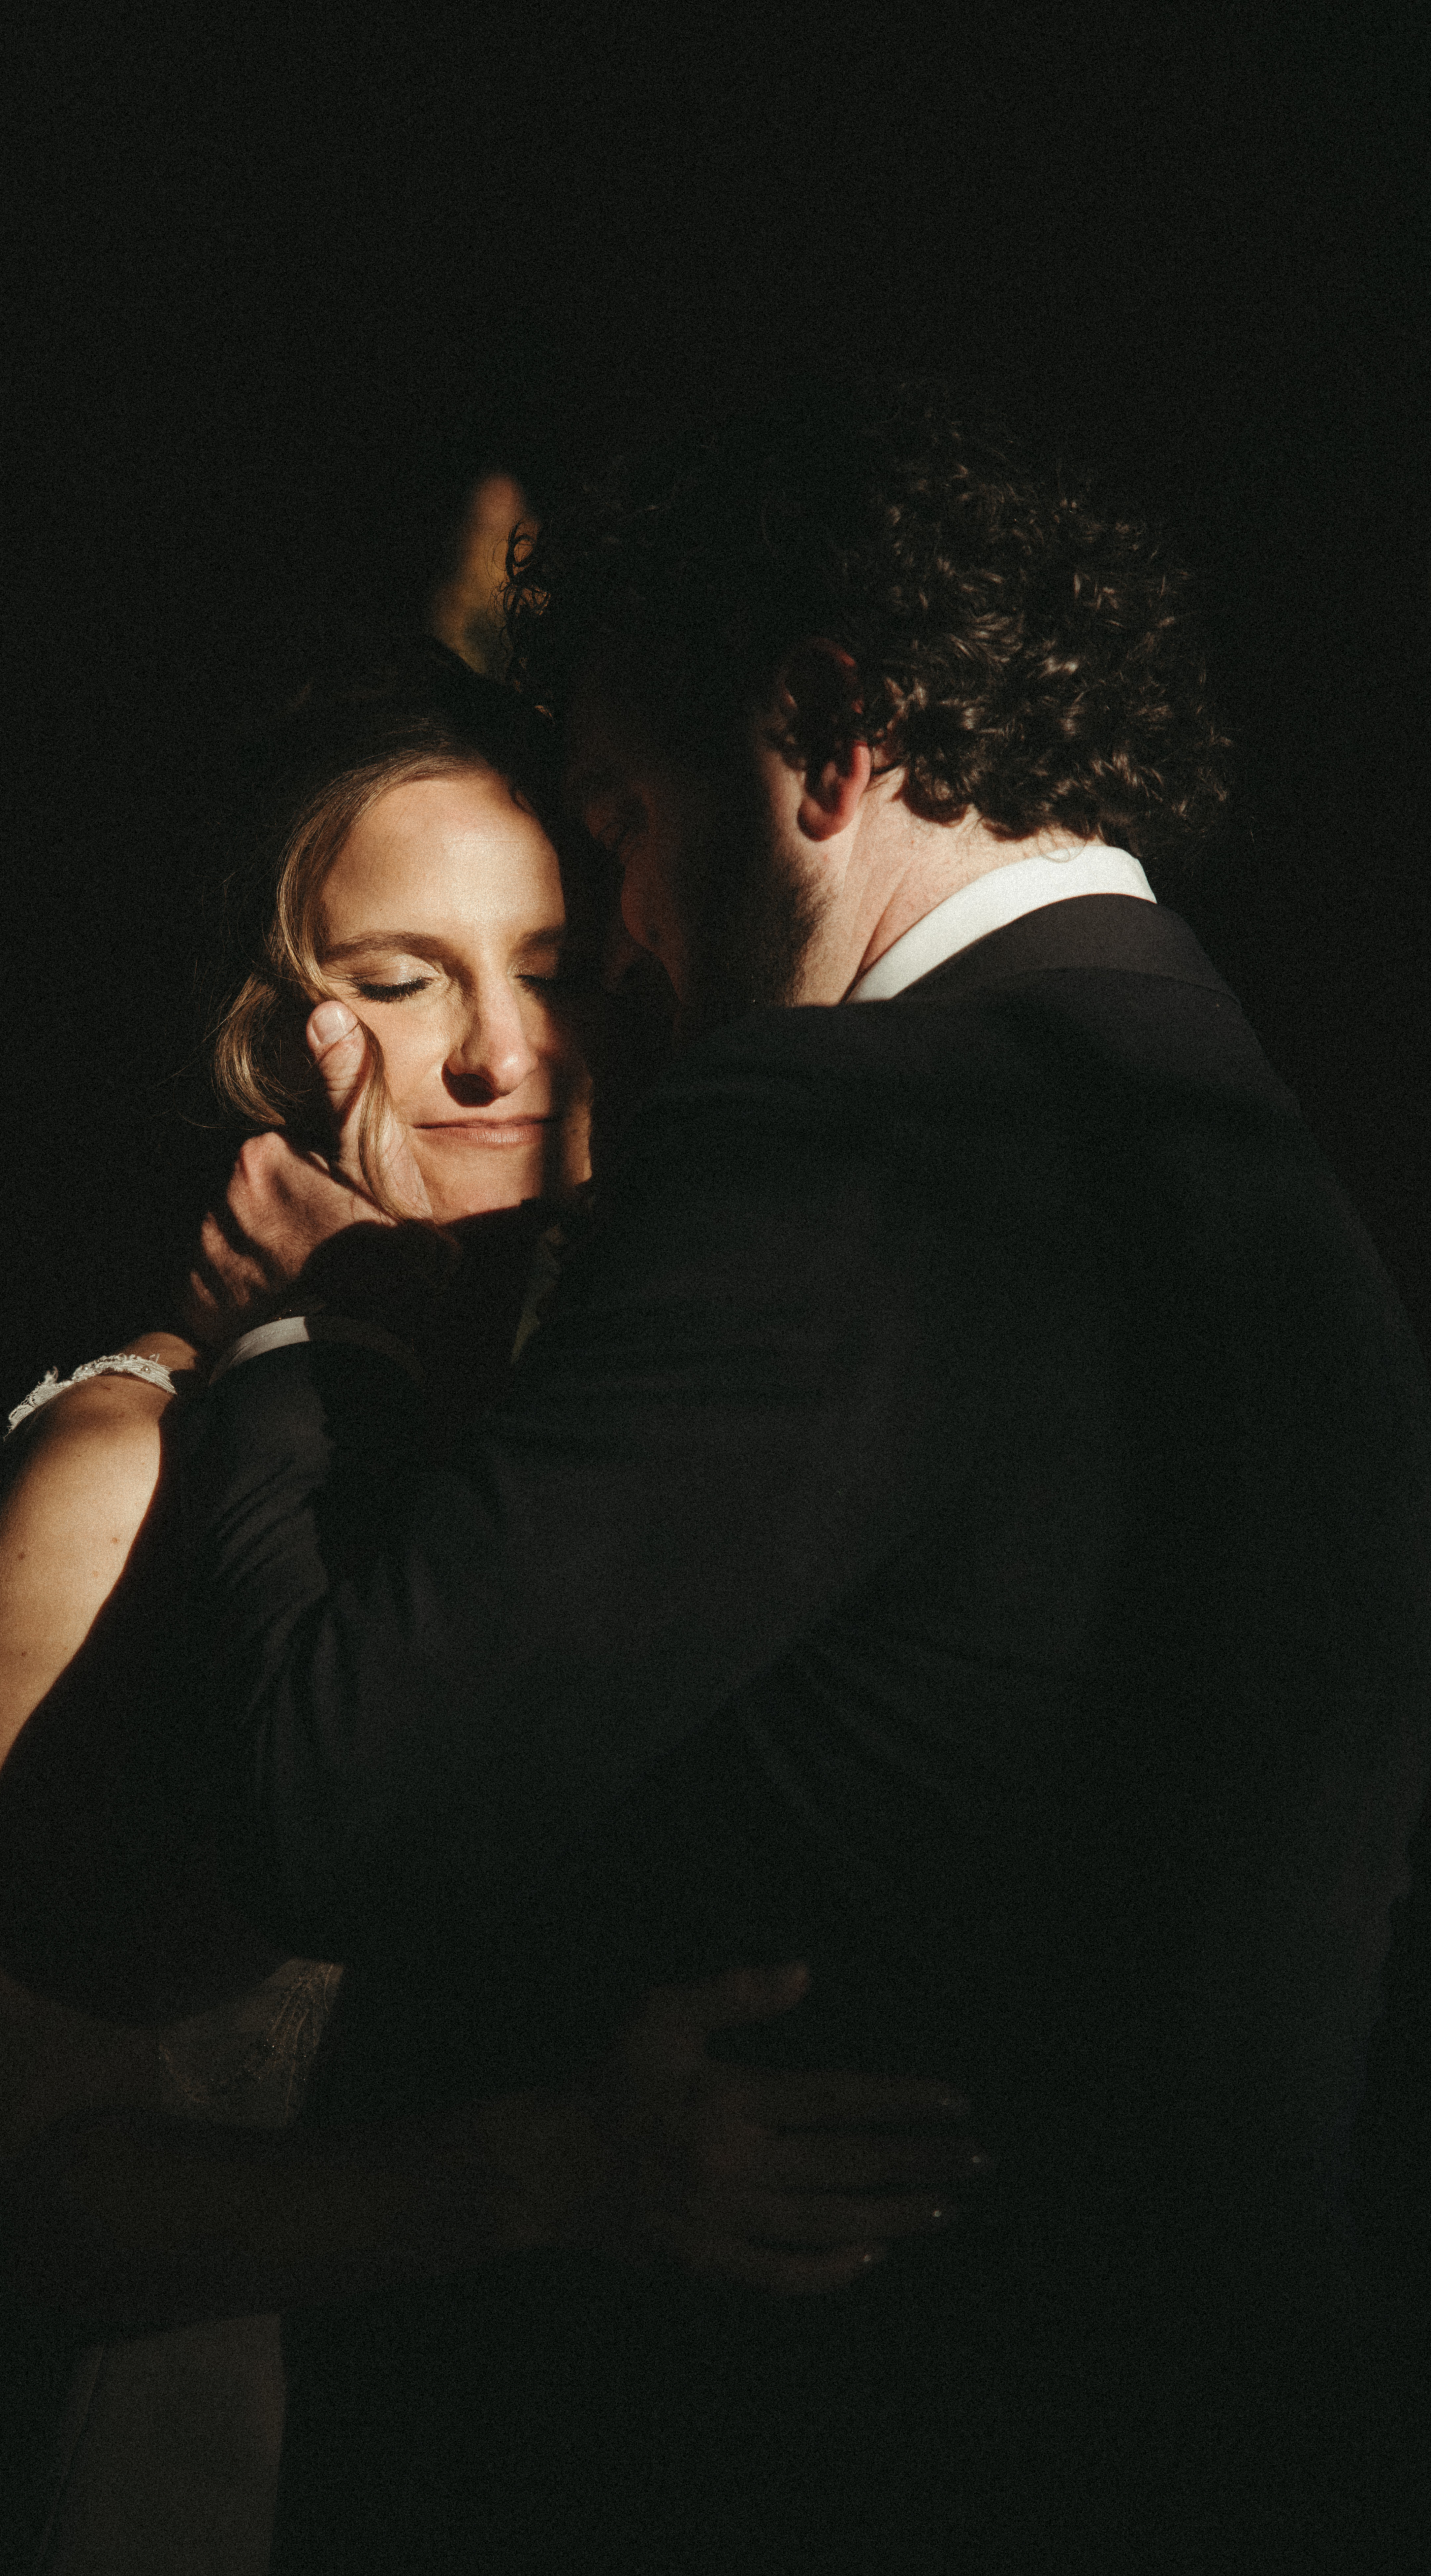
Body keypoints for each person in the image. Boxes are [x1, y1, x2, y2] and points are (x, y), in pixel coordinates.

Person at [70, 394, 1431, 2571]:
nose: (625, 936)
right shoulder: (1241, 1139)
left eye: (617, 819)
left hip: (878, 2464)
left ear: (818, 739)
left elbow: (328, 1806)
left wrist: (313, 1332)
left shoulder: (855, 1137)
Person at [0, 637, 981, 2576]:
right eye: (398, 979)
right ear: (276, 1034)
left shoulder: (566, 1437)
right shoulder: (119, 1476)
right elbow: (40, 2198)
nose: (496, 1055)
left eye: (550, 968)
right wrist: (562, 2168)